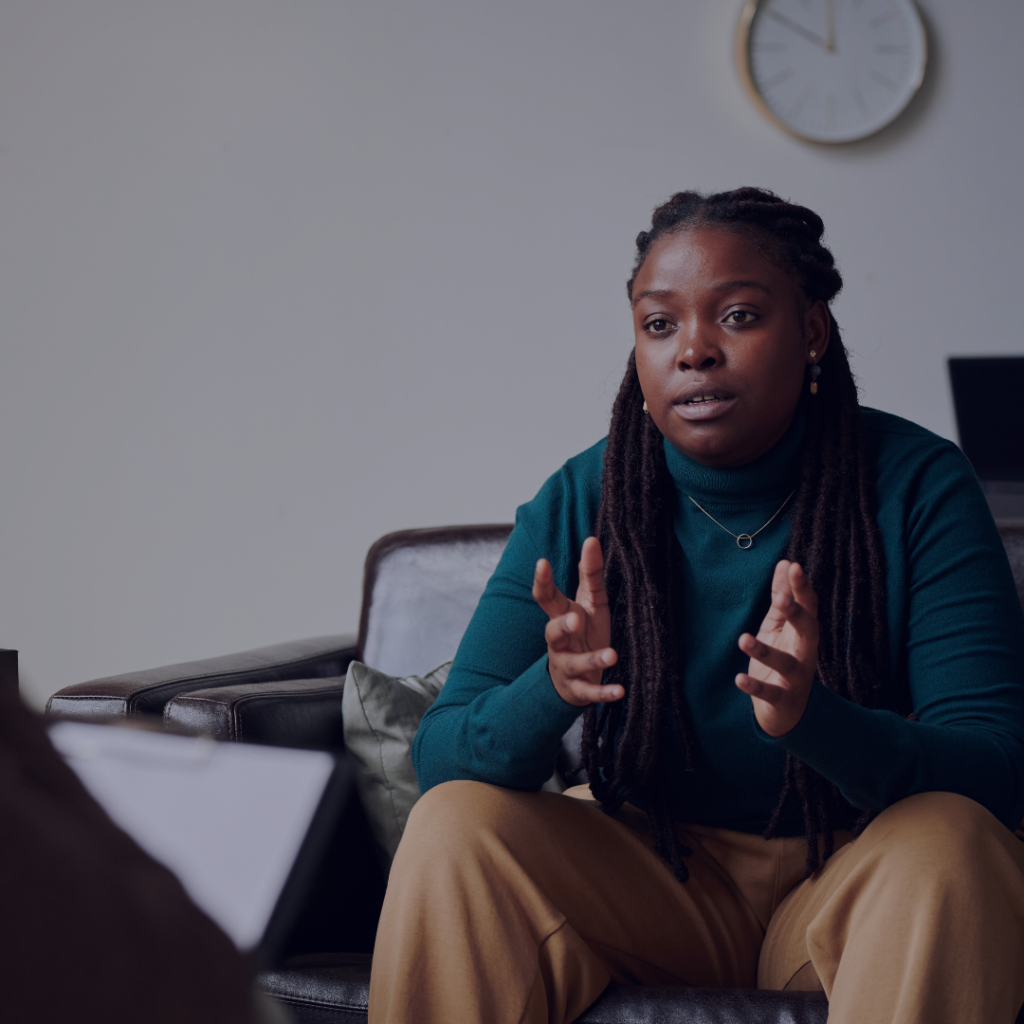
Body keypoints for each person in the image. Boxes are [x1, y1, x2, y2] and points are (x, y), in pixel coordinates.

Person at [368, 188, 1024, 1024]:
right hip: (654, 878)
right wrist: (554, 688)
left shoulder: (918, 484)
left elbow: (996, 771)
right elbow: (441, 758)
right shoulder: (585, 496)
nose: (695, 351)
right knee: (453, 825)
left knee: (955, 844)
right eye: (660, 324)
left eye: (740, 316)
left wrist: (811, 719)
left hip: (860, 871)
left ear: (812, 332)